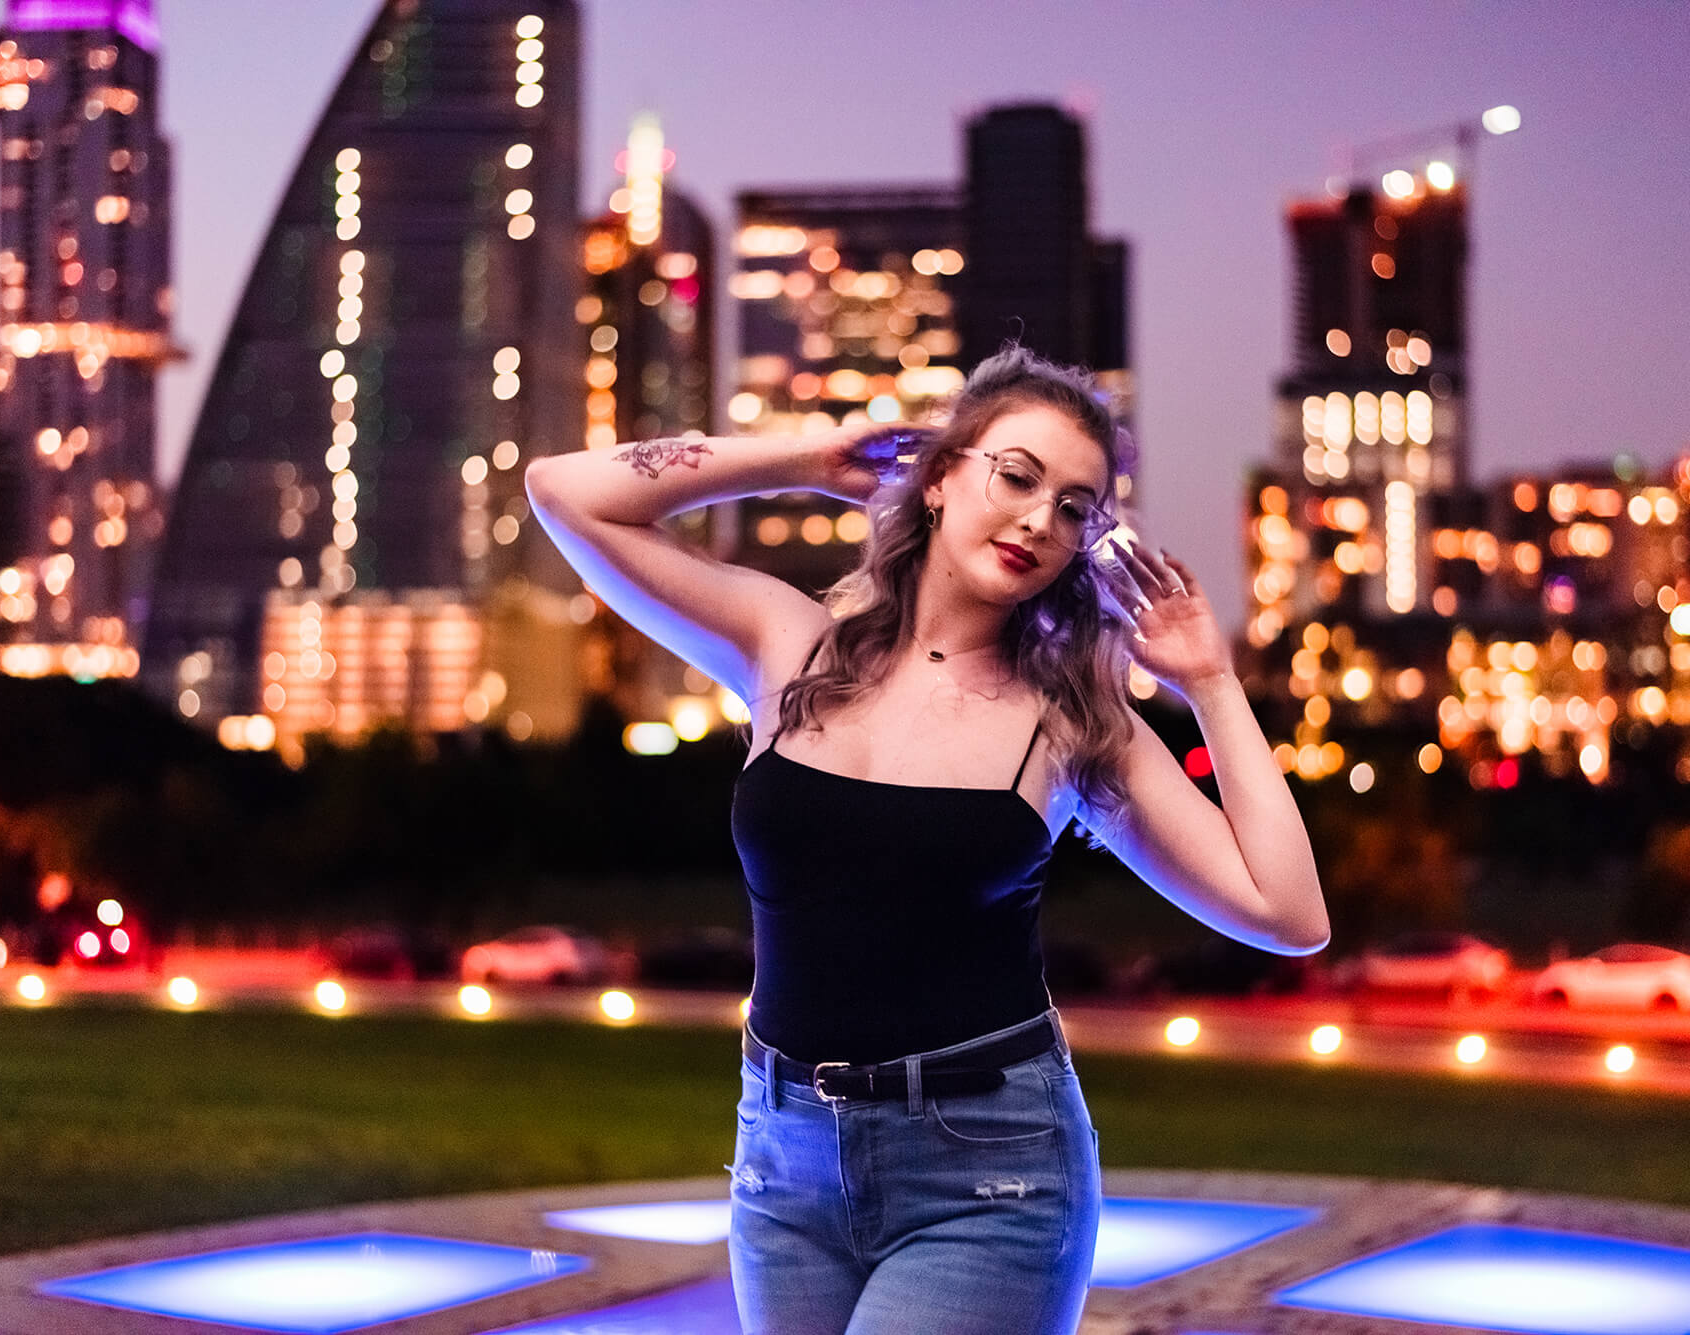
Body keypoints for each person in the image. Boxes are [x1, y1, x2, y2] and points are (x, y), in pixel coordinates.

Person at [525, 345, 1328, 1334]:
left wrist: (1205, 683)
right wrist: (805, 457)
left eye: (1074, 507)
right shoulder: (786, 643)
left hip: (987, 1175)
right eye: (1017, 477)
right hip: (783, 1161)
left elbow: (1286, 913)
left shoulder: (1072, 719)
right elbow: (564, 489)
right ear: (941, 478)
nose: (1041, 520)